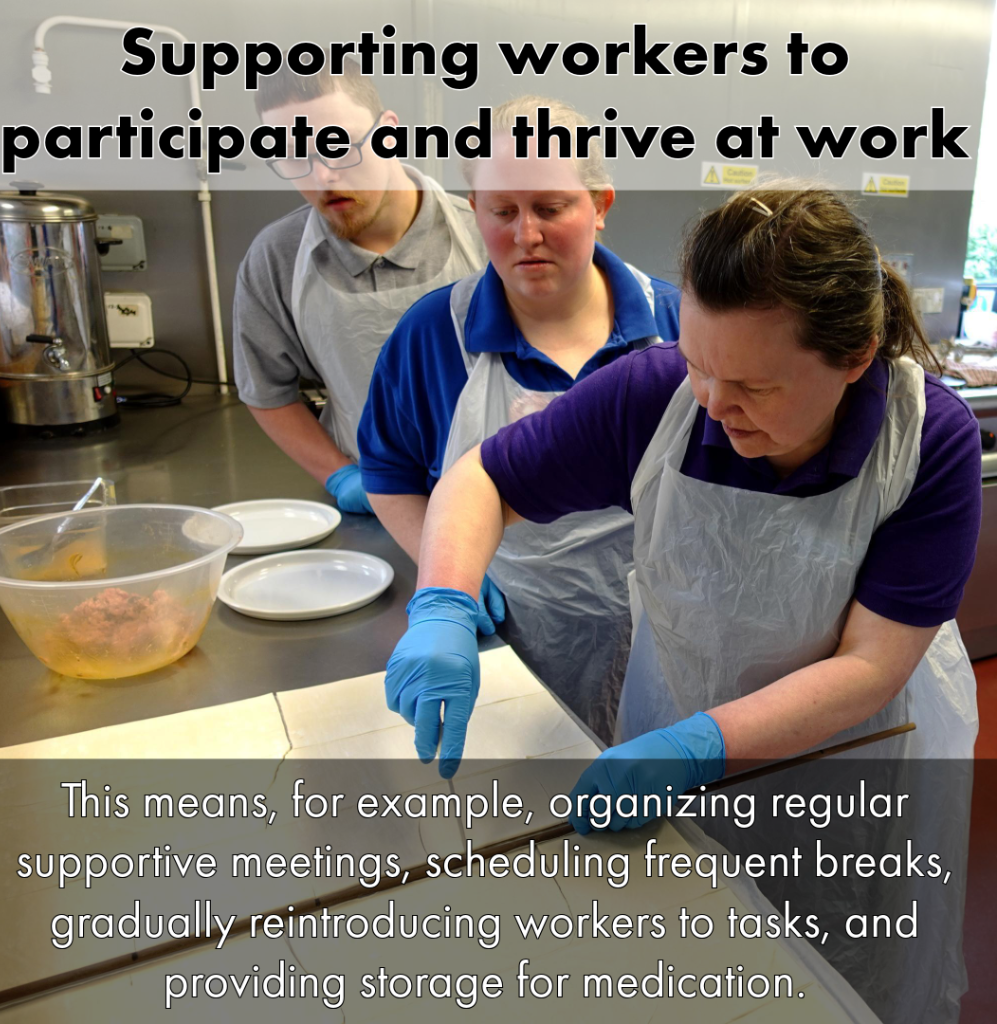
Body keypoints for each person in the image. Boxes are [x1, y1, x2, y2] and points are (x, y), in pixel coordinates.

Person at [383, 184, 980, 1024]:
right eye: (700, 364)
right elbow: (481, 479)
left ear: (856, 356)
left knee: (836, 971)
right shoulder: (657, 393)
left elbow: (871, 664)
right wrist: (442, 603)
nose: (713, 403)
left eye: (754, 387)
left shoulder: (925, 440)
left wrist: (705, 744)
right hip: (678, 716)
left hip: (853, 748)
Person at [358, 96, 680, 740]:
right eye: (501, 211)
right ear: (474, 211)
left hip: (663, 645)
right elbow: (390, 475)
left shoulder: (677, 332)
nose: (525, 235)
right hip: (498, 645)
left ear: (601, 206)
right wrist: (447, 588)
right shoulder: (434, 335)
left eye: (550, 208)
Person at [232, 60, 485, 514]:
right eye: (294, 156)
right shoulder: (277, 259)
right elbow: (266, 390)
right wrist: (339, 474)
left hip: (500, 491)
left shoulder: (487, 237)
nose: (323, 176)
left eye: (340, 146)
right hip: (372, 498)